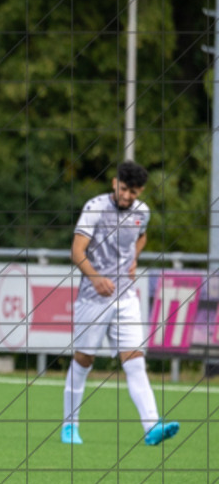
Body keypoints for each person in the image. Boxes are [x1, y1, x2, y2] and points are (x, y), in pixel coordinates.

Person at [62, 161, 177, 446]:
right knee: (84, 359)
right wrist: (96, 278)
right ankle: (69, 425)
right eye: (124, 189)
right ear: (115, 183)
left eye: (134, 192)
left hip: (126, 297)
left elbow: (141, 236)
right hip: (93, 297)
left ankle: (152, 426)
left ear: (141, 191)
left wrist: (134, 257)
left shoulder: (143, 213)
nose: (127, 197)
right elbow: (77, 252)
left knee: (135, 361)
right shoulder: (95, 208)